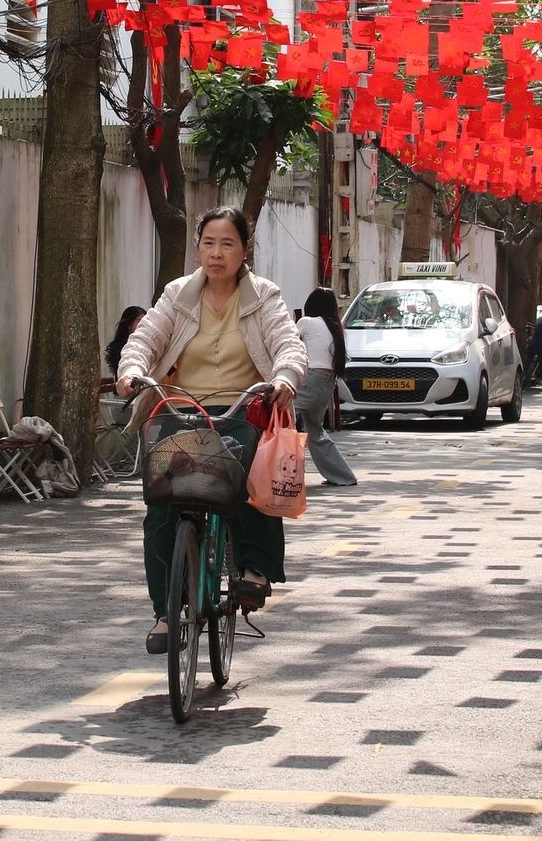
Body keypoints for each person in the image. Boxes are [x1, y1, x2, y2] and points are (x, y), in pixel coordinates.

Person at [116, 206, 305, 655]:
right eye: (208, 243)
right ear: (198, 246)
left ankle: (253, 569)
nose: (216, 253)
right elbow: (146, 338)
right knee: (161, 506)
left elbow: (287, 342)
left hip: (242, 408)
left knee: (252, 482)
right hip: (180, 409)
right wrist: (131, 369)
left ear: (244, 250)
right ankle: (166, 611)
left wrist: (285, 377)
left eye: (227, 244)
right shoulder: (178, 294)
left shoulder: (264, 295)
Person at [294, 288, 359, 489]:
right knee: (315, 430)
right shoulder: (336, 329)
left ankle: (280, 472)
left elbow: (289, 345)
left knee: (277, 417)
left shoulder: (306, 322)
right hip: (327, 383)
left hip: (311, 379)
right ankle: (343, 475)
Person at [105, 306, 147, 376]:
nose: (143, 324)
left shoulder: (148, 344)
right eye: (139, 321)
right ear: (129, 325)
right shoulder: (117, 348)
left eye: (145, 321)